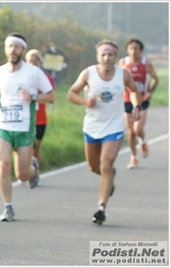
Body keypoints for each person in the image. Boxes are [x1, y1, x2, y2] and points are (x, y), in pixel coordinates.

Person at [67, 39, 142, 225]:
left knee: (106, 164)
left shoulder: (123, 75)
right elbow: (71, 94)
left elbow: (134, 90)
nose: (107, 58)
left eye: (110, 55)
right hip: (92, 127)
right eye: (103, 55)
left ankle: (101, 207)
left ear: (116, 57)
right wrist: (85, 101)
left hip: (114, 127)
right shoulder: (89, 73)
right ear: (98, 57)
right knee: (95, 167)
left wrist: (137, 107)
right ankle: (109, 179)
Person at [0, 33, 56, 222]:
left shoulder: (33, 72)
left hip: (25, 127)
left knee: (22, 174)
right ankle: (8, 207)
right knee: (3, 165)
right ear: (6, 49)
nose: (13, 50)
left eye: (17, 47)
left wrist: (33, 97)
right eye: (10, 46)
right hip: (3, 126)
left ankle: (32, 169)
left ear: (23, 50)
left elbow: (51, 96)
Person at [118, 37, 159, 169]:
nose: (133, 51)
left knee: (137, 129)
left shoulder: (146, 63)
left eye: (136, 48)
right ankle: (133, 157)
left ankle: (144, 140)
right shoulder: (123, 62)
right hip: (127, 99)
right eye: (131, 48)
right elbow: (117, 80)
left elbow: (155, 79)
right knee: (130, 132)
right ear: (127, 50)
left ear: (141, 50)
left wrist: (150, 92)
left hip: (143, 100)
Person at [25, 49, 56, 179]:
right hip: (25, 118)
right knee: (24, 148)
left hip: (40, 118)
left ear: (40, 63)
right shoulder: (21, 76)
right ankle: (25, 171)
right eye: (30, 61)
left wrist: (36, 95)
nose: (33, 64)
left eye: (35, 61)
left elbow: (52, 97)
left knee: (35, 149)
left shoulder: (46, 78)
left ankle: (35, 173)